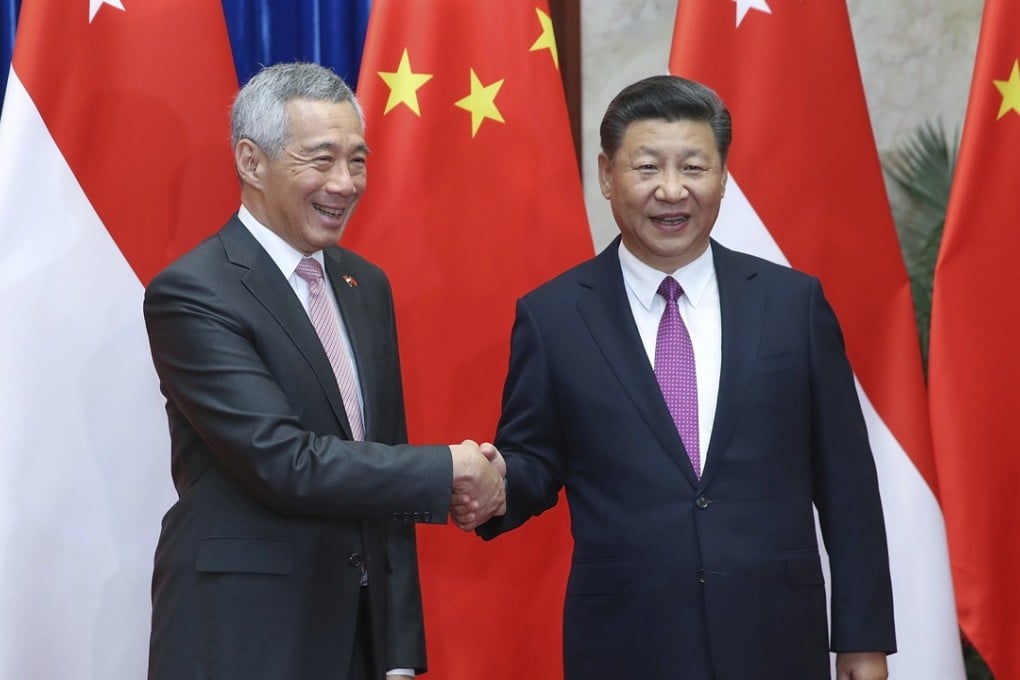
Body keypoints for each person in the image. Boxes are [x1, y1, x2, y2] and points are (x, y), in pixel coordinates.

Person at [467, 75, 895, 679]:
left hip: (775, 637)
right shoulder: (554, 316)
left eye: (694, 167)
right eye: (647, 168)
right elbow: (535, 458)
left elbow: (847, 482)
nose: (672, 190)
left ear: (722, 176)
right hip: (626, 643)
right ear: (606, 175)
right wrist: (499, 482)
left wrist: (863, 639)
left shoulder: (791, 304)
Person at [143, 62, 504, 680]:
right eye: (321, 160)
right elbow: (282, 460)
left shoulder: (365, 284)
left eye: (357, 160)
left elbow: (383, 461)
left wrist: (398, 653)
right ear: (251, 162)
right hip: (244, 637)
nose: (345, 182)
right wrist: (450, 467)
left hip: (358, 638)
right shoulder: (194, 291)